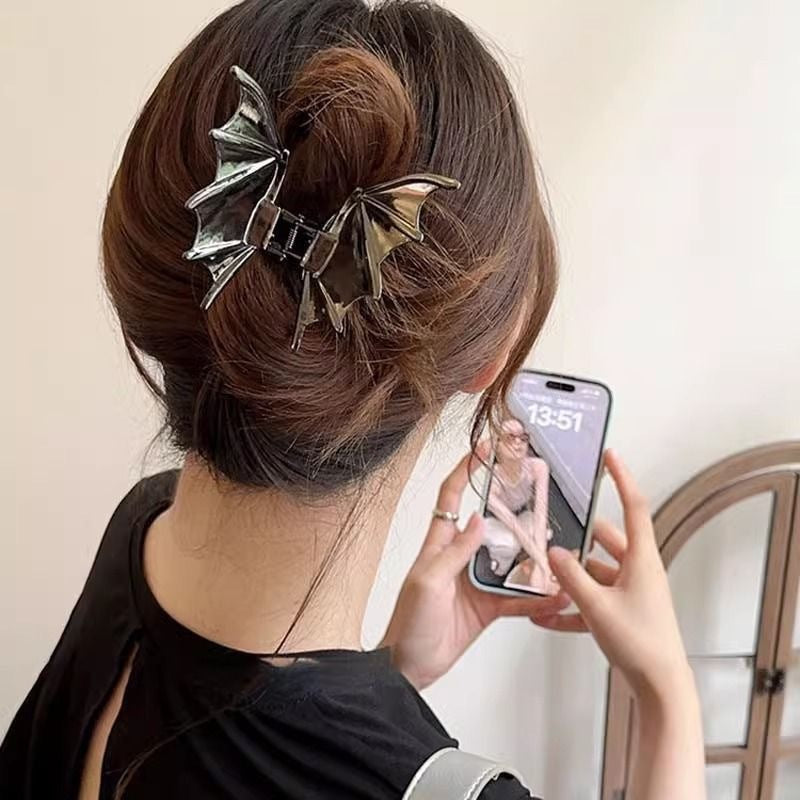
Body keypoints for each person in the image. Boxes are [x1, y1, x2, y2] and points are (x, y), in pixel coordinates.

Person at [0, 1, 706, 799]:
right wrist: (668, 696)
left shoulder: (139, 535)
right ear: (490, 354)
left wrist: (388, 676)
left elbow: (217, 736)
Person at [481, 419, 556, 594]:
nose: (518, 443)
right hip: (497, 520)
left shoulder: (538, 467)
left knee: (540, 531)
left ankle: (526, 555)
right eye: (510, 437)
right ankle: (499, 565)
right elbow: (514, 525)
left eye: (523, 438)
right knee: (509, 545)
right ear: (497, 444)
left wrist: (540, 564)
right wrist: (543, 565)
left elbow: (541, 511)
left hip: (522, 512)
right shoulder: (492, 482)